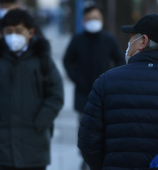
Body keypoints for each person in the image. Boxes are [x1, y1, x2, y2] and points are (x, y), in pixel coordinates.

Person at [78, 14, 158, 170]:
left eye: (131, 40)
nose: (128, 45)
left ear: (143, 42)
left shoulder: (106, 81)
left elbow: (88, 141)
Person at [0, 9, 63, 170]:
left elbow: (56, 95)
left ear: (30, 32)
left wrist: (40, 123)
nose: (13, 36)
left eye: (18, 31)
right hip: (4, 144)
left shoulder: (42, 59)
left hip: (35, 144)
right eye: (8, 31)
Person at [64, 4, 123, 170]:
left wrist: (111, 78)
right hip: (84, 95)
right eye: (89, 19)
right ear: (83, 20)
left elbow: (119, 60)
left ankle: (102, 159)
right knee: (85, 130)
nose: (93, 22)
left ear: (102, 20)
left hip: (106, 95)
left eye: (96, 18)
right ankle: (86, 160)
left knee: (105, 129)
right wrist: (77, 78)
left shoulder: (109, 39)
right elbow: (67, 61)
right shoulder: (77, 39)